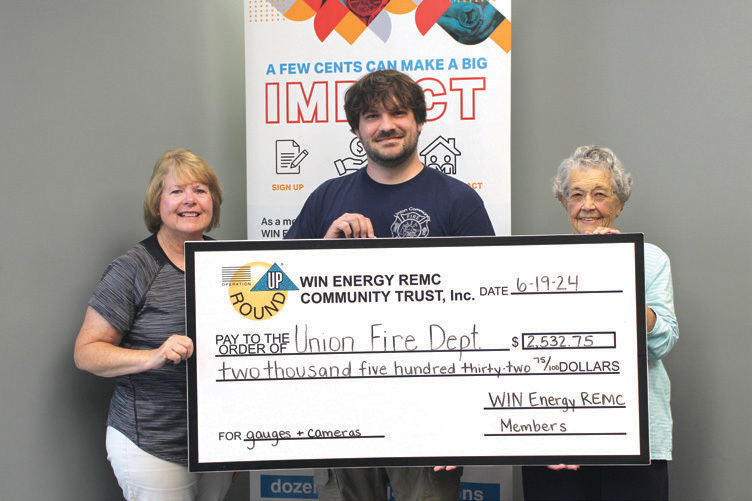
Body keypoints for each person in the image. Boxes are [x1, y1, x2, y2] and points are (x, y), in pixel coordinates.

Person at [286, 69, 495, 500]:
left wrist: (461, 423)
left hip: (428, 408)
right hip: (339, 403)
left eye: (399, 113)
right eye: (371, 116)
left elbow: (489, 310)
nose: (386, 125)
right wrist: (323, 247)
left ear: (420, 121)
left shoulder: (458, 200)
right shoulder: (327, 198)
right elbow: (278, 294)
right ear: (356, 129)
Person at [74, 149, 234, 501]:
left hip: (217, 442)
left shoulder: (228, 263)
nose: (189, 200)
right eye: (176, 191)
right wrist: (152, 356)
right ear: (157, 203)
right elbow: (86, 353)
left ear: (213, 201)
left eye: (201, 190)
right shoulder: (133, 269)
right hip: (152, 444)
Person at [522, 146, 679, 501]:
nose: (587, 205)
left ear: (620, 203)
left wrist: (620, 273)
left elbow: (661, 343)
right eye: (576, 194)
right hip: (555, 437)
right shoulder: (534, 265)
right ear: (564, 203)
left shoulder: (650, 260)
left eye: (600, 194)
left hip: (635, 440)